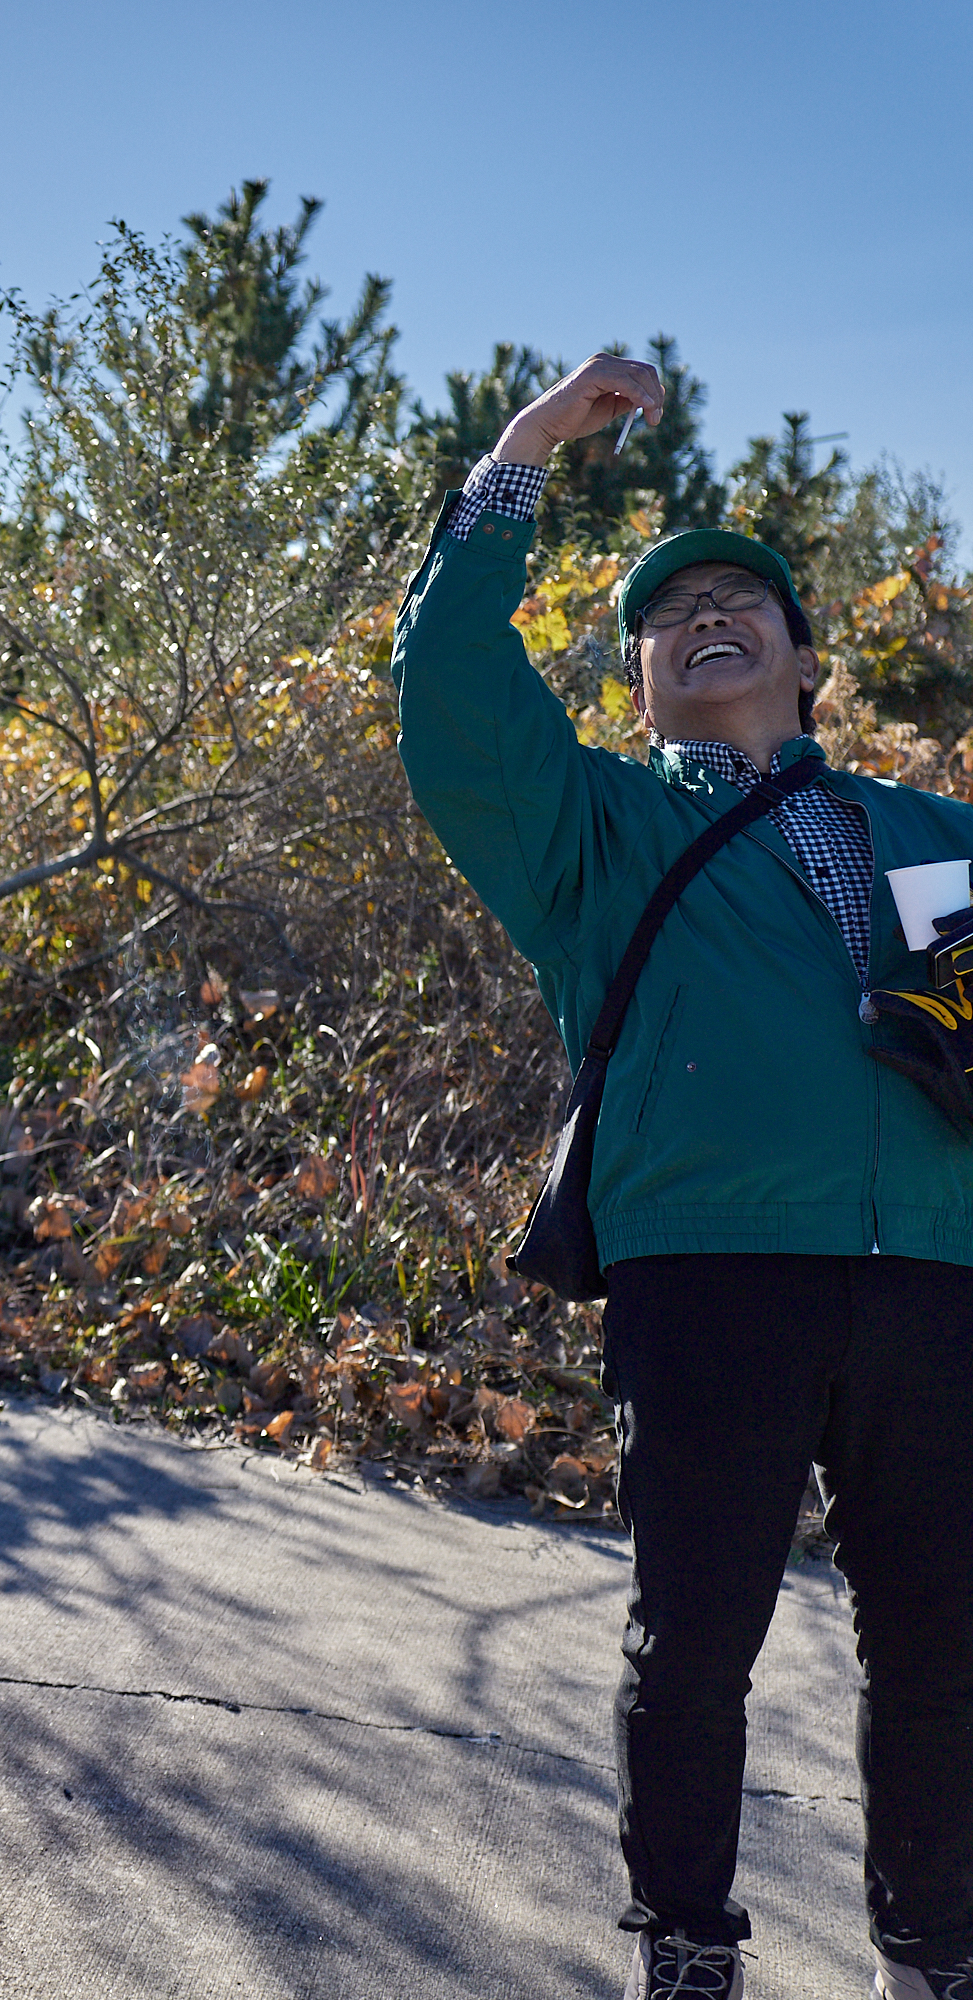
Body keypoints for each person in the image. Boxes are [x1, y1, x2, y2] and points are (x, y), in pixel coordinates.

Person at [395, 353, 973, 2000]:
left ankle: (935, 1950)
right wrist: (516, 461)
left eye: (743, 601)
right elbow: (446, 686)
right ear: (640, 681)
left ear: (806, 657)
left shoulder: (938, 832)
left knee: (943, 1647)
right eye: (668, 615)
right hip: (709, 1261)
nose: (707, 617)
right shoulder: (595, 828)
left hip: (939, 1266)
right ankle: (689, 1948)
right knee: (697, 1638)